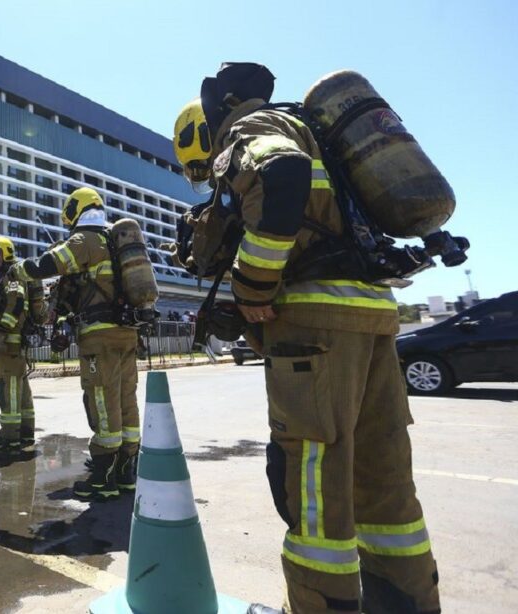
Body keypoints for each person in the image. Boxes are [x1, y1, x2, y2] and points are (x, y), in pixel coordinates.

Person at [172, 62, 439, 613]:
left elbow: (283, 175)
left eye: (204, 169)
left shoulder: (249, 129)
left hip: (316, 327)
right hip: (372, 315)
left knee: (315, 484)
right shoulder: (313, 133)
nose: (207, 179)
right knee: (384, 483)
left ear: (213, 117)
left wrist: (251, 287)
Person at [10, 189, 140, 500]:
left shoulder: (85, 240)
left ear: (76, 209)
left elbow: (47, 265)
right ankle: (125, 473)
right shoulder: (114, 240)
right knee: (126, 399)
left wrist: (19, 268)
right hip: (128, 333)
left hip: (100, 336)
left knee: (102, 399)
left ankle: (102, 479)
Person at [0, 236, 36, 452]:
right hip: (8, 344)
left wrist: (3, 332)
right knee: (20, 390)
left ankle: (10, 437)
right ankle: (25, 434)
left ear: (5, 253)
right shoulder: (3, 277)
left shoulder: (13, 276)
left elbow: (17, 305)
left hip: (11, 344)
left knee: (9, 389)